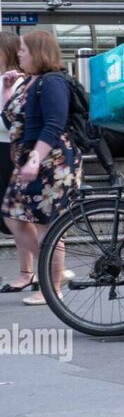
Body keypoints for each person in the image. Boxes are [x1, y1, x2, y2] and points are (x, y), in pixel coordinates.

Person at [1, 31, 83, 306]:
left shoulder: (52, 82)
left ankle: (52, 287)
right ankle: (51, 271)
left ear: (38, 53)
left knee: (47, 225)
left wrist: (35, 158)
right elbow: (11, 121)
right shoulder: (28, 82)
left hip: (53, 162)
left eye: (24, 50)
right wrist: (6, 90)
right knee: (13, 217)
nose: (19, 54)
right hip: (28, 161)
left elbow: (53, 125)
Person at [0, 32, 36, 291]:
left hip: (12, 151)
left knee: (19, 214)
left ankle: (30, 271)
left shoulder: (18, 81)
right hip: (2, 150)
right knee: (12, 214)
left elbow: (11, 120)